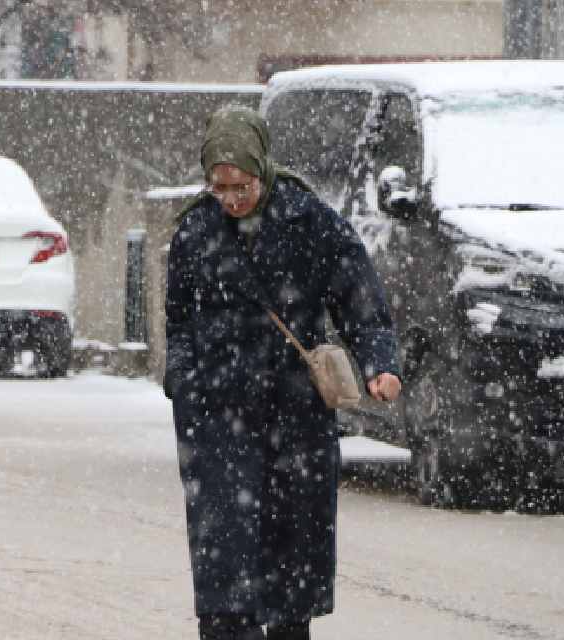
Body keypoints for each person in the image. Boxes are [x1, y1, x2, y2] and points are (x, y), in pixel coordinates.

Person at [164, 106, 402, 640]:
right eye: (218, 185)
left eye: (240, 185)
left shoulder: (309, 220)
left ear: (261, 169)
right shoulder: (195, 231)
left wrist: (380, 362)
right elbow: (177, 318)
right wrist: (181, 381)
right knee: (226, 578)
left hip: (294, 415)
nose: (230, 198)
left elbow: (359, 297)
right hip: (217, 418)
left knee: (291, 574)